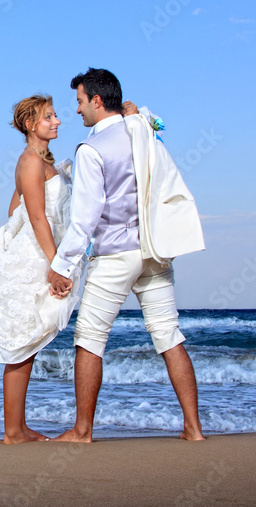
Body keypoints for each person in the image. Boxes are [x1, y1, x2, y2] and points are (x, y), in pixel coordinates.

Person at [47, 68, 205, 443]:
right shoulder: (142, 130)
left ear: (97, 101)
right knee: (169, 335)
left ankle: (83, 431)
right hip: (154, 250)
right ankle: (194, 429)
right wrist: (134, 114)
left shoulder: (92, 149)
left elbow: (85, 219)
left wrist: (61, 266)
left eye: (80, 102)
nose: (77, 111)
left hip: (116, 254)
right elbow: (153, 126)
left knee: (89, 338)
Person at [0, 94, 82, 444]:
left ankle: (17, 428)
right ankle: (13, 431)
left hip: (38, 254)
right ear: (30, 124)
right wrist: (57, 266)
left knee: (28, 342)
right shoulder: (30, 162)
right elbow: (36, 217)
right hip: (37, 260)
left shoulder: (39, 161)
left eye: (56, 116)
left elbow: (16, 208)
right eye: (49, 117)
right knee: (23, 342)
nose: (56, 121)